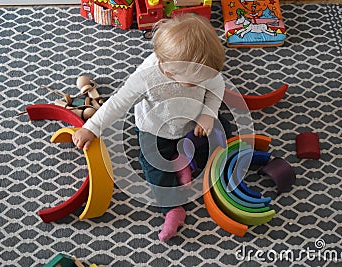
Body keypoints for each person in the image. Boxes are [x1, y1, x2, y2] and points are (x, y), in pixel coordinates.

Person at [72, 13, 227, 242]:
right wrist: (91, 128)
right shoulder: (146, 77)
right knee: (153, 166)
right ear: (168, 71)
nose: (203, 82)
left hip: (190, 123)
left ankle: (184, 159)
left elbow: (216, 87)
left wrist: (208, 113)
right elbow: (117, 103)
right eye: (195, 82)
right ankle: (172, 208)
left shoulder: (202, 71)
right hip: (155, 129)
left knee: (222, 138)